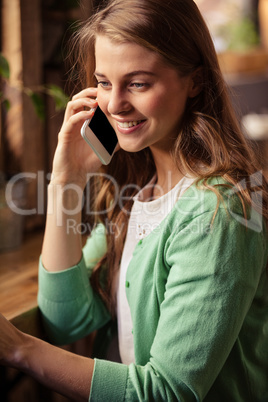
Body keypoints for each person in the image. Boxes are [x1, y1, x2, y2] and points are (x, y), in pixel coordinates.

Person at [1, 0, 268, 400]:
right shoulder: (138, 198)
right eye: (104, 83)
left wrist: (20, 349)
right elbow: (65, 321)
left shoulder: (218, 211)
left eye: (138, 83)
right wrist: (66, 181)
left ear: (194, 81)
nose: (114, 104)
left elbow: (165, 392)